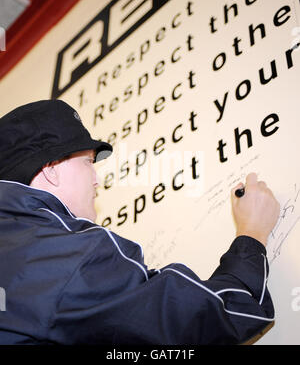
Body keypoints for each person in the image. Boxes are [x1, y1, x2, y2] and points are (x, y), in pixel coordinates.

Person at [0, 99, 280, 345]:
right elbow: (215, 317)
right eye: (87, 162)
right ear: (51, 170)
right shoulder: (67, 256)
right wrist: (252, 232)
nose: (97, 179)